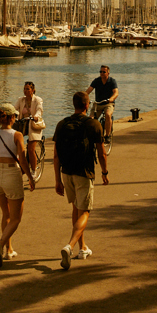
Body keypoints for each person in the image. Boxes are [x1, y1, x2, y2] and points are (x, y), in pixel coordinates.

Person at [53, 91, 109, 270]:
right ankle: (69, 246)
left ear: (73, 105)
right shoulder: (93, 124)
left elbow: (55, 156)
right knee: (85, 211)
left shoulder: (62, 124)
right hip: (83, 173)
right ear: (87, 105)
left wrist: (57, 180)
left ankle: (82, 248)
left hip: (66, 172)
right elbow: (101, 152)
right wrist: (105, 172)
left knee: (76, 208)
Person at [0, 103, 35, 267]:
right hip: (12, 174)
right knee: (16, 218)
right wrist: (31, 178)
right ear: (12, 118)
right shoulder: (17, 135)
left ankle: (8, 250)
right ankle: (1, 243)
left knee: (6, 214)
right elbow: (23, 160)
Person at [16, 81, 46, 175]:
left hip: (33, 124)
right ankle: (20, 167)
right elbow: (15, 109)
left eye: (27, 89)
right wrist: (12, 115)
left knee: (31, 149)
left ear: (33, 90)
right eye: (24, 89)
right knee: (17, 147)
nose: (25, 91)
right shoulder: (21, 100)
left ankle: (33, 171)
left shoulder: (37, 100)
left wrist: (36, 116)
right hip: (23, 124)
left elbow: (39, 109)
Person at [85, 65, 119, 149]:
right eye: (100, 72)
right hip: (98, 103)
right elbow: (88, 91)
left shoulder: (112, 81)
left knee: (108, 115)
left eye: (104, 72)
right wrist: (84, 98)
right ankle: (90, 137)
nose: (102, 73)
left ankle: (107, 135)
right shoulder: (96, 81)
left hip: (108, 103)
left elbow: (116, 92)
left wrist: (111, 98)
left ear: (108, 73)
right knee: (91, 119)